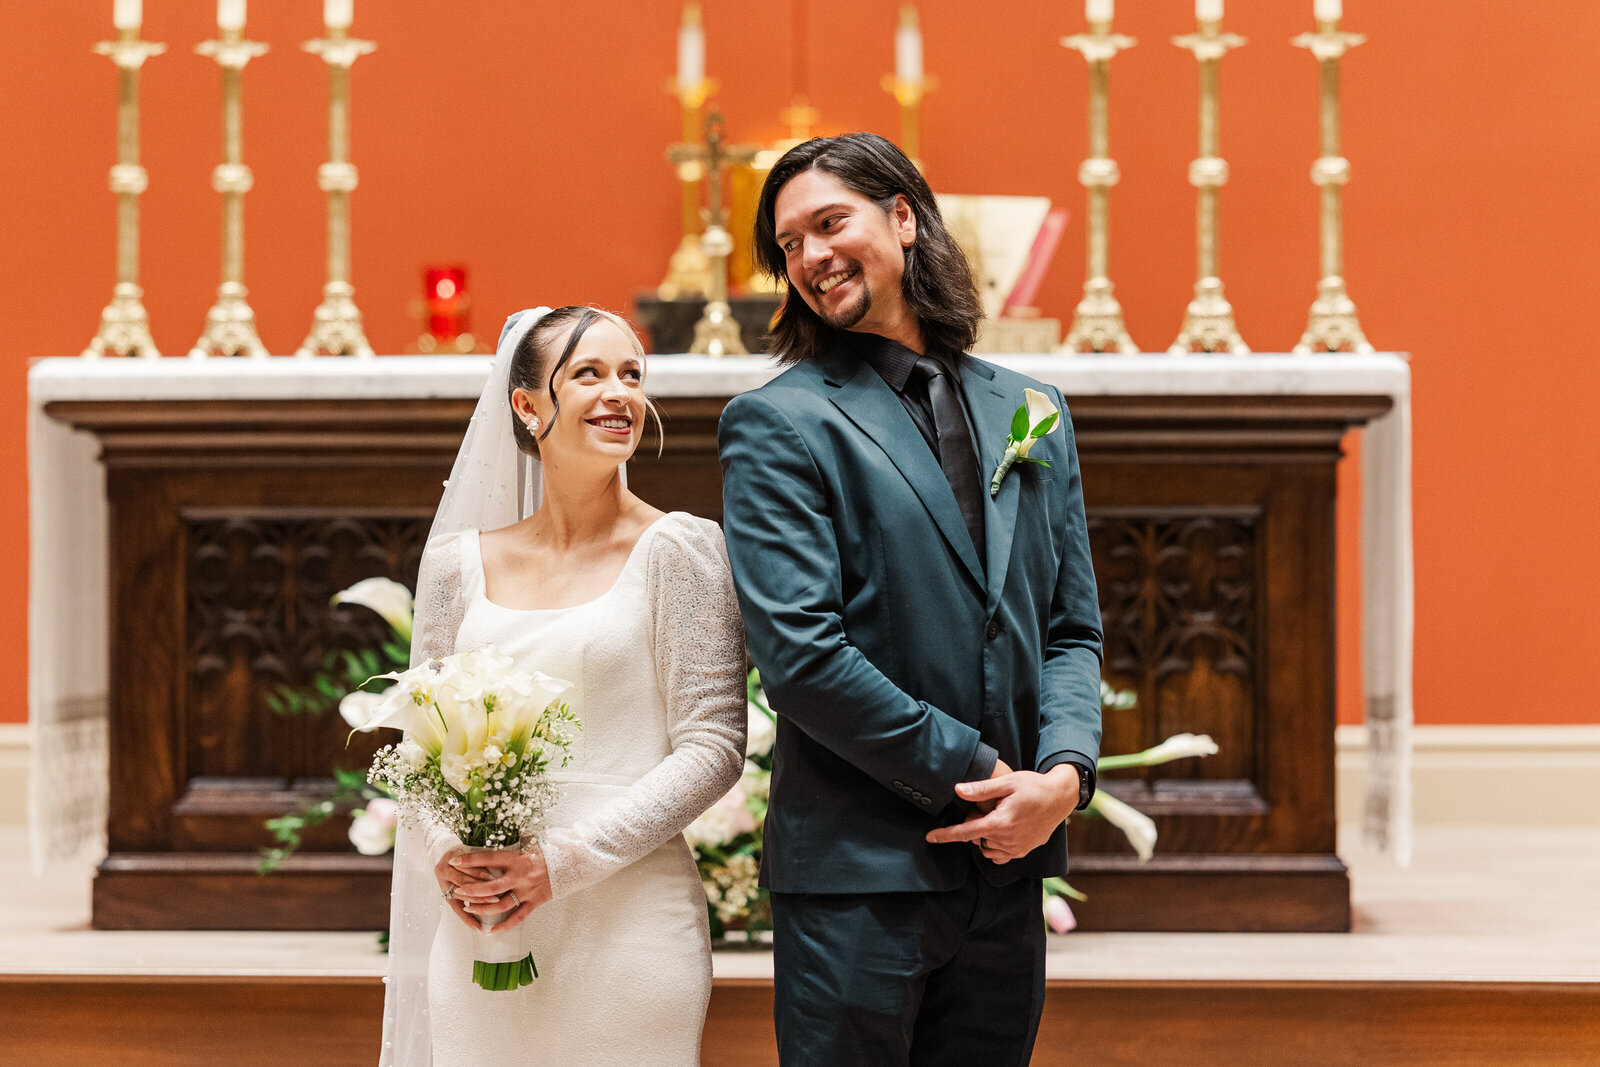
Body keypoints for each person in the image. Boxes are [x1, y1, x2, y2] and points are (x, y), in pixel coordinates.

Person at [718, 133, 1104, 1066]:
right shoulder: (779, 422)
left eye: (829, 223)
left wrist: (1061, 779)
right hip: (861, 877)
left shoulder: (1030, 406)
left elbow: (1071, 629)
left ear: (903, 217)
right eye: (789, 247)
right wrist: (983, 773)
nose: (810, 257)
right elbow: (803, 661)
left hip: (1006, 869)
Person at [380, 305, 748, 1066]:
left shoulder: (681, 548)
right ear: (527, 404)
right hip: (486, 918)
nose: (620, 393)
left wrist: (563, 862)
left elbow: (714, 744)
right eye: (589, 373)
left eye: (631, 375)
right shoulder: (456, 564)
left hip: (629, 923)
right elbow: (418, 739)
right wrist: (453, 853)